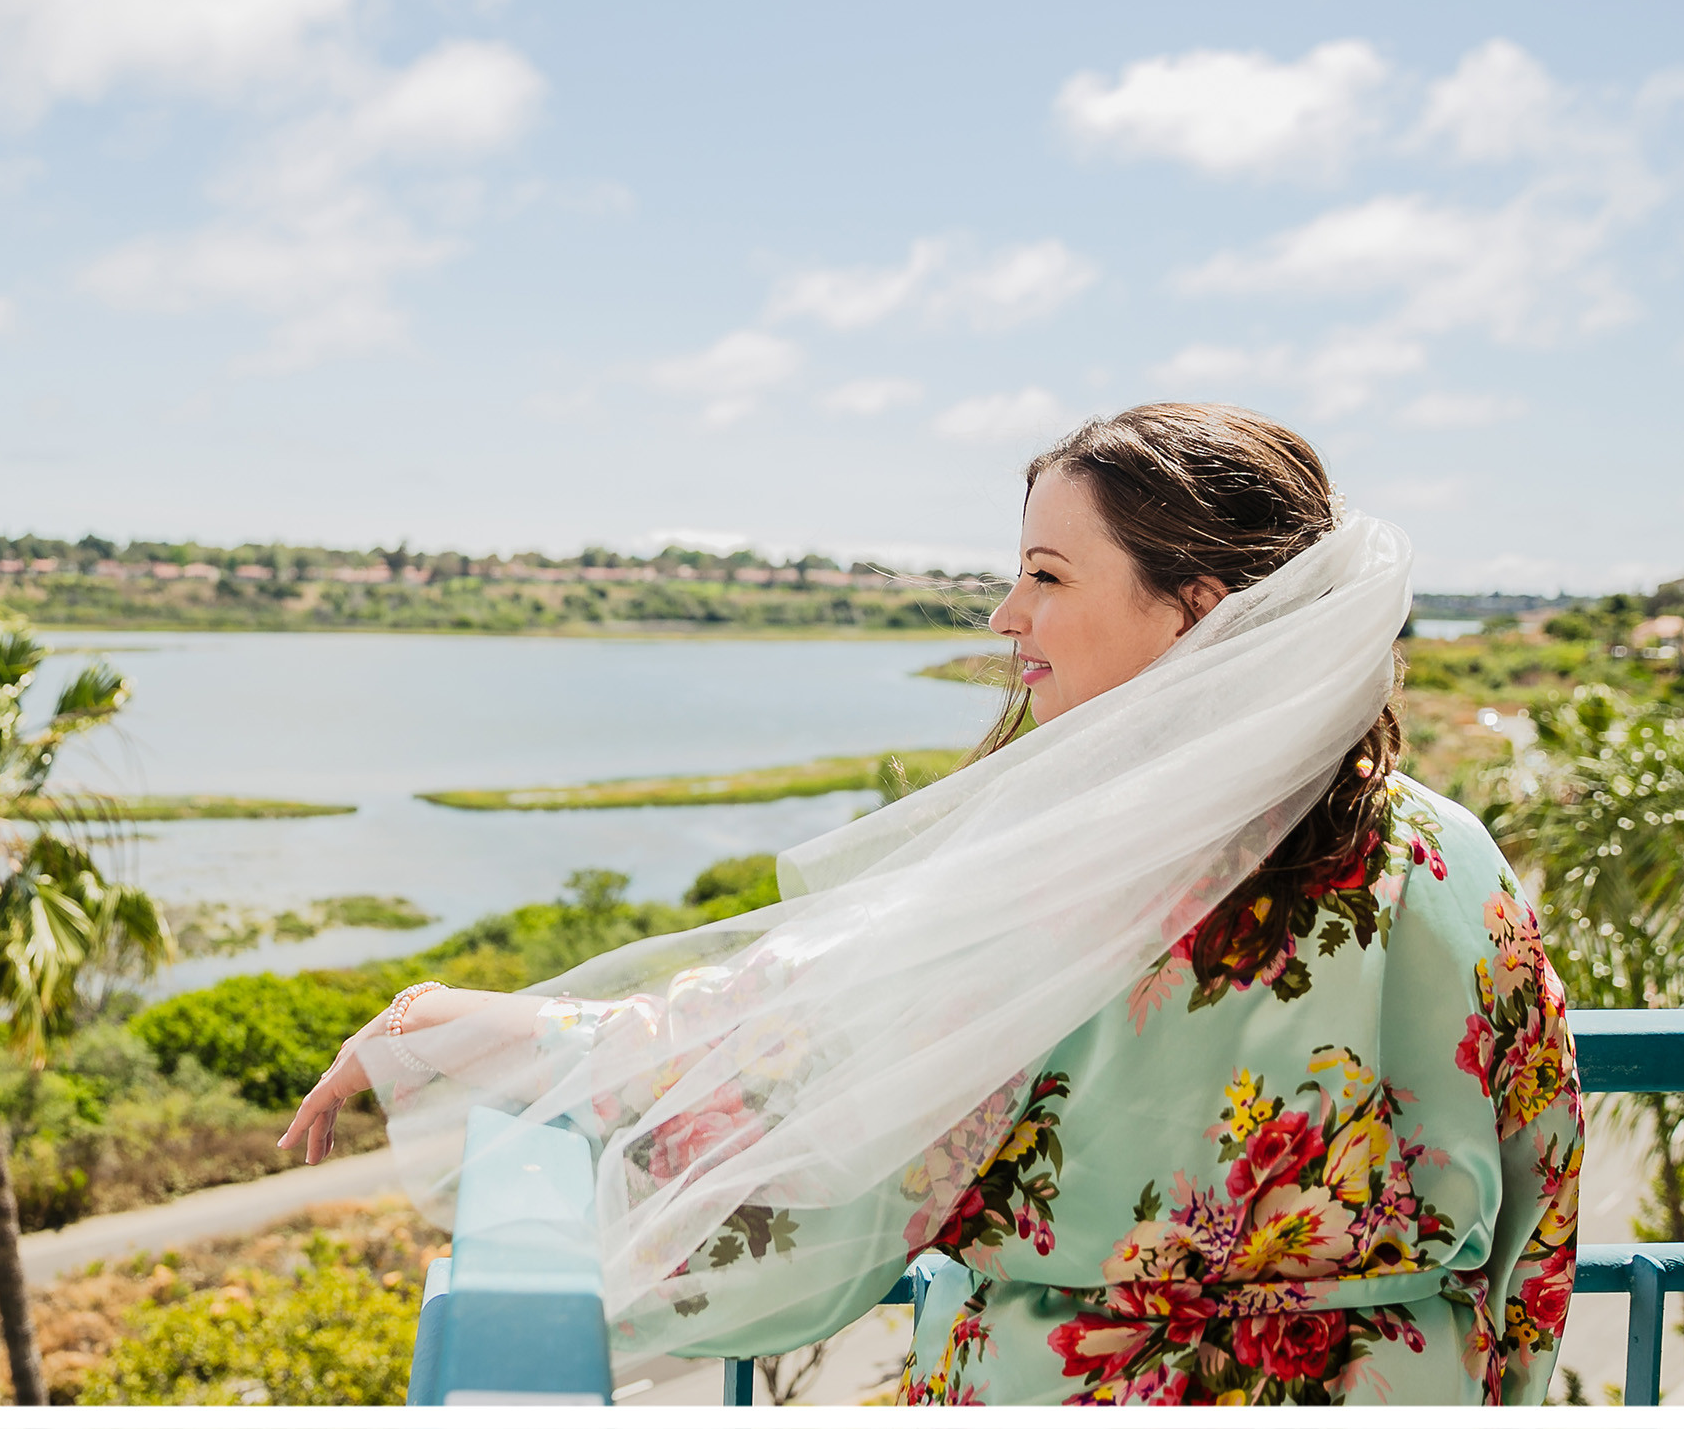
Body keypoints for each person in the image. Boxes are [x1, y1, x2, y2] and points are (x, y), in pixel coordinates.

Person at [281, 403, 1581, 1406]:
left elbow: (772, 1074)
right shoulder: (1449, 850)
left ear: (1194, 608)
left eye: (1051, 575)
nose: (1010, 612)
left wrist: (445, 1026)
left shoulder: (1066, 864)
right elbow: (1545, 1184)